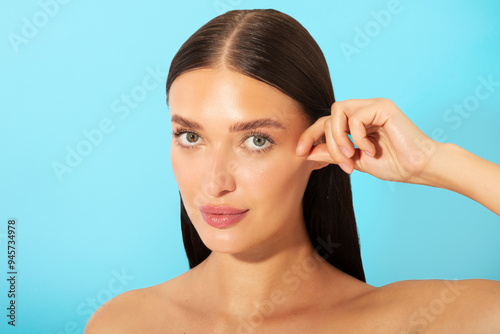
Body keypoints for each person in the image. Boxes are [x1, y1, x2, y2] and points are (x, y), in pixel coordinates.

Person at [84, 9, 500, 333]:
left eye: (256, 140)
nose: (215, 182)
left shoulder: (421, 321)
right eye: (191, 137)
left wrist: (434, 161)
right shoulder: (123, 323)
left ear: (319, 145)